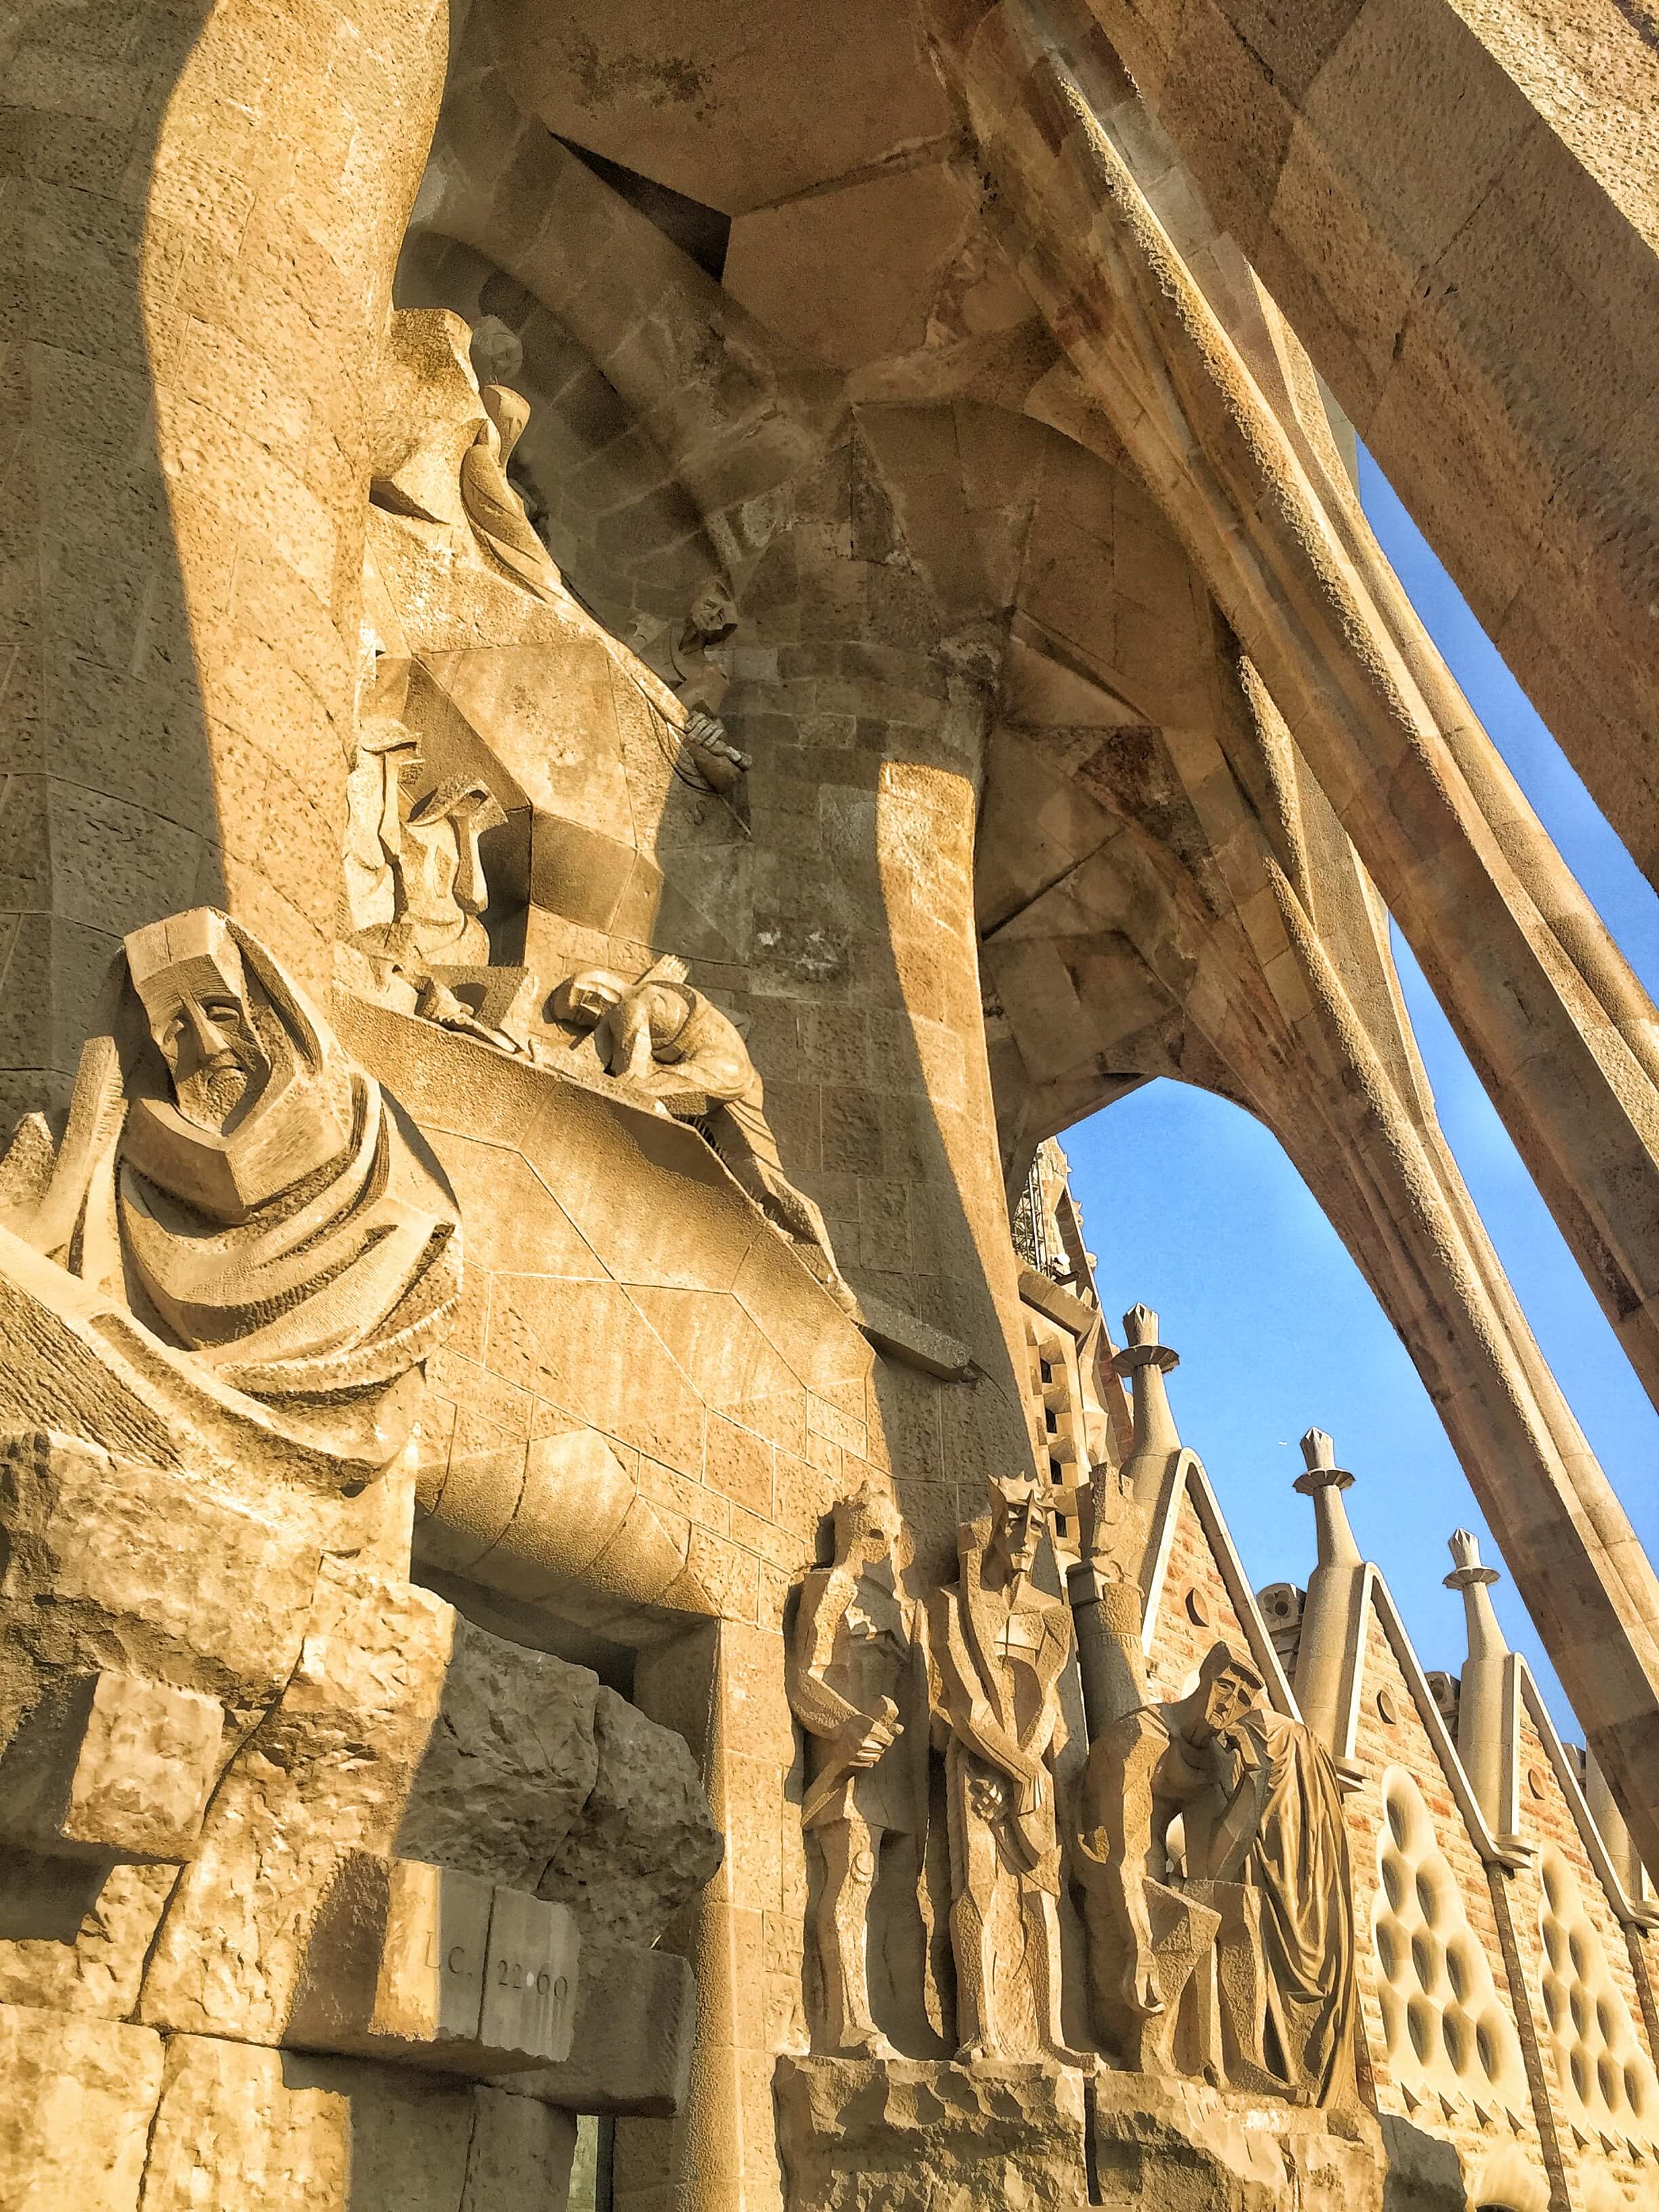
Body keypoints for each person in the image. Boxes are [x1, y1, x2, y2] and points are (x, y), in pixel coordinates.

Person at [554, 958, 849, 1302]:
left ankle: (810, 1258)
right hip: (742, 1073)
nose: (586, 1022)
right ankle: (822, 1267)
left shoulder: (631, 1006)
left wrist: (577, 1070)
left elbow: (631, 1078)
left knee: (638, 1098)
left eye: (577, 1015)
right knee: (762, 1173)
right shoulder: (659, 992)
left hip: (718, 1071)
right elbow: (733, 1021)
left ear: (593, 998)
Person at [929, 1474, 1080, 2063]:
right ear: (991, 1525)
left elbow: (1048, 1699)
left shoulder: (1052, 1616)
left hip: (1031, 1771)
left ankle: (1049, 2035)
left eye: (1034, 1525)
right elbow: (964, 1702)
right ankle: (981, 2027)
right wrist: (1012, 1770)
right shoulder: (952, 1603)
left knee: (1041, 1897)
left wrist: (1033, 1772)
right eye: (1012, 1520)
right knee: (979, 1888)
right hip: (980, 1767)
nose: (1022, 1534)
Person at [786, 1485, 926, 2057]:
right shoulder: (830, 1587)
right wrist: (844, 1726)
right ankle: (847, 2020)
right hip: (850, 1761)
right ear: (850, 1533)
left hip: (894, 1765)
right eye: (874, 1535)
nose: (882, 1549)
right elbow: (804, 1677)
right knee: (852, 1878)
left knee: (900, 1890)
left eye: (891, 1540)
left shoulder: (898, 1609)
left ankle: (906, 2019)